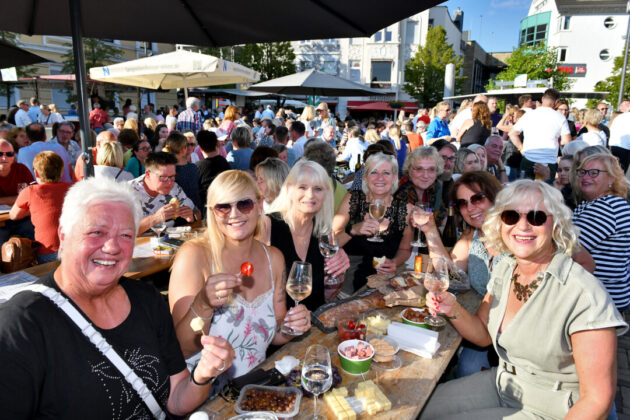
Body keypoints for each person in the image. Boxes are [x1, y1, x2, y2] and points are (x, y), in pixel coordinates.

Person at [1, 177, 231, 418]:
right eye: (97, 232)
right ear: (63, 234)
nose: (112, 247)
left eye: (125, 235)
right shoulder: (20, 325)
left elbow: (175, 399)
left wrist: (202, 375)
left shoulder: (146, 299)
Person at [420, 180, 627, 420]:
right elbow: (483, 334)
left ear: (557, 225)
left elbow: (597, 400)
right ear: (500, 223)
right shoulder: (506, 269)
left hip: (555, 406)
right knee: (418, 408)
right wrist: (452, 307)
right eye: (511, 216)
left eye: (537, 217)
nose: (523, 226)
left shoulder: (584, 294)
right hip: (505, 381)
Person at [168, 170, 310, 378]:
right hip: (203, 394)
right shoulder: (194, 256)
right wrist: (204, 303)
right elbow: (183, 348)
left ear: (259, 205)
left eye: (244, 204)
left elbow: (274, 332)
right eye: (223, 207)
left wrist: (292, 327)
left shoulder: (274, 258)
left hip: (253, 390)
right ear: (212, 212)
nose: (234, 214)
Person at [421, 171, 503, 377]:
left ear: (494, 197)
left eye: (477, 198)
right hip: (481, 317)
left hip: (508, 327)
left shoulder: (517, 235)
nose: (470, 207)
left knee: (467, 368)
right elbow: (449, 273)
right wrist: (430, 230)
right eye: (463, 203)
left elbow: (582, 260)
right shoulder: (473, 233)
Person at [265, 160, 350, 307]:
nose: (310, 195)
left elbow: (328, 295)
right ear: (289, 189)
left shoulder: (324, 232)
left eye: (318, 189)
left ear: (326, 194)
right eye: (302, 187)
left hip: (313, 323)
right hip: (276, 324)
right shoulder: (268, 225)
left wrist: (337, 275)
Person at [334, 153, 412, 293]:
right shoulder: (353, 200)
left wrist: (394, 262)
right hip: (348, 286)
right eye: (374, 172)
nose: (380, 178)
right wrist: (353, 230)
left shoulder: (404, 210)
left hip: (383, 287)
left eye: (386, 173)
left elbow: (405, 250)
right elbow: (331, 244)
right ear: (365, 177)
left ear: (395, 178)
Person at [572, 153, 630, 312]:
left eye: (594, 173)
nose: (586, 177)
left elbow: (567, 247)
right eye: (582, 172)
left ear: (612, 179)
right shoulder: (592, 204)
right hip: (605, 295)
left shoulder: (607, 207)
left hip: (600, 299)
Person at [10, 151, 71, 263]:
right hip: (73, 248)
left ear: (36, 173)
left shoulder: (30, 191)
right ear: (61, 172)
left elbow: (13, 215)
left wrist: (32, 210)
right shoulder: (72, 188)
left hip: (48, 251)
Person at [508, 88, 571, 180]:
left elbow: (512, 134)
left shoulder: (529, 115)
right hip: (549, 162)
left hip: (529, 159)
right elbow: (567, 141)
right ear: (556, 101)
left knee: (525, 191)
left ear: (542, 99)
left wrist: (521, 148)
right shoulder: (560, 117)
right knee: (545, 192)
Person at [130, 152, 200, 234]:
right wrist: (155, 218)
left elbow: (198, 213)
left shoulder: (175, 188)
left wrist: (192, 217)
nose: (170, 182)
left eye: (172, 176)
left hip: (168, 243)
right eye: (163, 177)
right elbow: (122, 231)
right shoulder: (127, 192)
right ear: (148, 174)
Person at [163, 132, 203, 211]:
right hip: (193, 211)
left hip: (174, 212)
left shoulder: (163, 170)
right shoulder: (193, 168)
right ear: (183, 149)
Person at [196, 130, 231, 209]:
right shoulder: (223, 161)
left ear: (201, 148)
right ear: (216, 144)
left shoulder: (198, 166)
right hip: (224, 202)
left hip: (207, 206)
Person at [608, 99, 630, 173]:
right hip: (624, 149)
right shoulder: (622, 117)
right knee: (620, 176)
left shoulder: (618, 117)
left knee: (611, 173)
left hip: (612, 148)